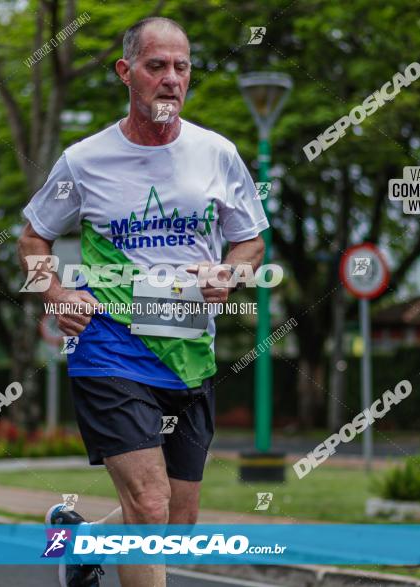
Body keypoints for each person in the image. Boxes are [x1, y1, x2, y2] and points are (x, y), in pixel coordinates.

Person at [18, 16, 267, 587]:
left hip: (187, 351)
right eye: (157, 66)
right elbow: (34, 236)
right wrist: (55, 291)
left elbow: (251, 239)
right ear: (126, 73)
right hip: (110, 345)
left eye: (182, 67)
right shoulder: (85, 160)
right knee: (150, 504)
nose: (171, 79)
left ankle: (83, 545)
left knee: (175, 523)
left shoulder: (218, 153)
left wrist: (231, 272)